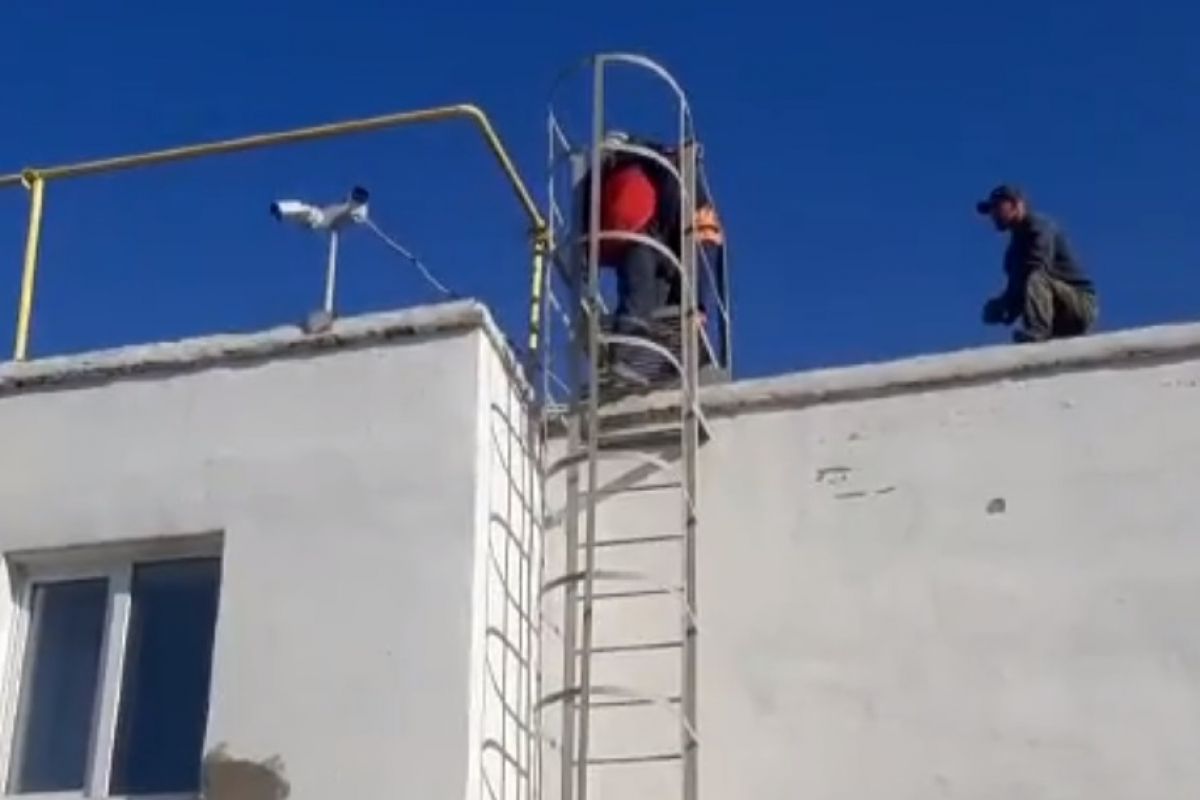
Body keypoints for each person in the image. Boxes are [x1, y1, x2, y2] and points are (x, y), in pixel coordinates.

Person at [977, 185, 1097, 343]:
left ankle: (1038, 331)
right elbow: (1017, 290)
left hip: (1080, 304)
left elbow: (1037, 266)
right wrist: (1002, 308)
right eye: (991, 210)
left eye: (997, 207)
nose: (993, 214)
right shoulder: (1013, 252)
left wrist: (1008, 302)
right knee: (1028, 281)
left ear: (1017, 205)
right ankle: (1039, 332)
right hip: (1054, 312)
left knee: (1034, 276)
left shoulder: (1039, 226)